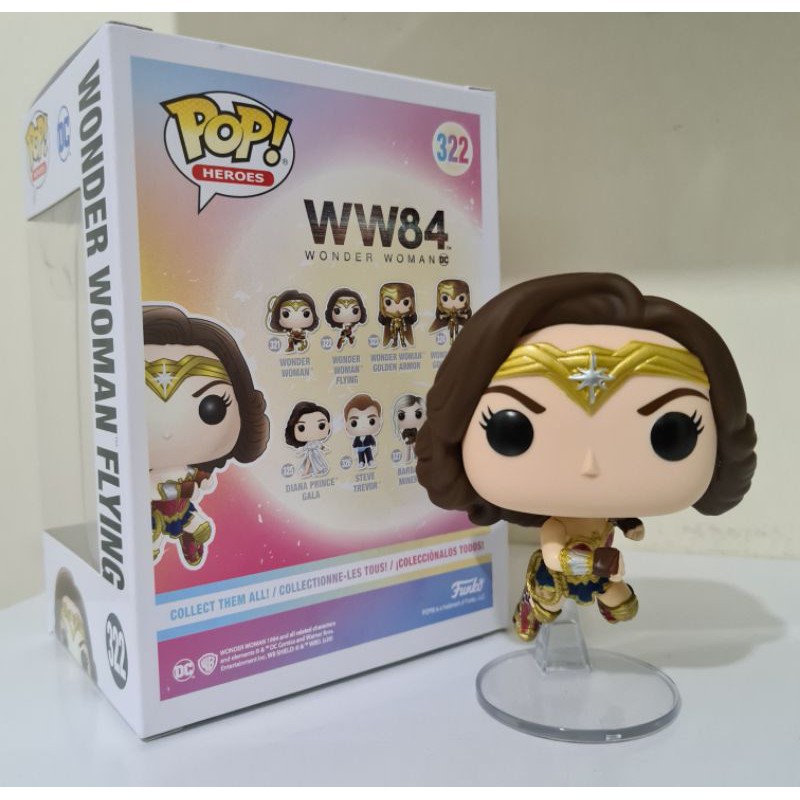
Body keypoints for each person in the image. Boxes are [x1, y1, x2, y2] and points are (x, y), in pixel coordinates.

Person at [416, 273, 756, 641]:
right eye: (511, 431)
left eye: (671, 434)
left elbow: (618, 521)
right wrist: (594, 561)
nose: (589, 466)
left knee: (622, 604)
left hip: (601, 568)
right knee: (546, 604)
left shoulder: (609, 511)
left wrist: (628, 529)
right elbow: (552, 555)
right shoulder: (556, 525)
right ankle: (531, 615)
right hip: (564, 573)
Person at [145, 305, 270, 569]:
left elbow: (202, 483)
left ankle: (190, 539)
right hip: (153, 514)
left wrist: (198, 483)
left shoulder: (193, 472)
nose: (168, 432)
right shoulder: (142, 478)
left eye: (212, 408)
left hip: (182, 508)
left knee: (198, 526)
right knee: (149, 542)